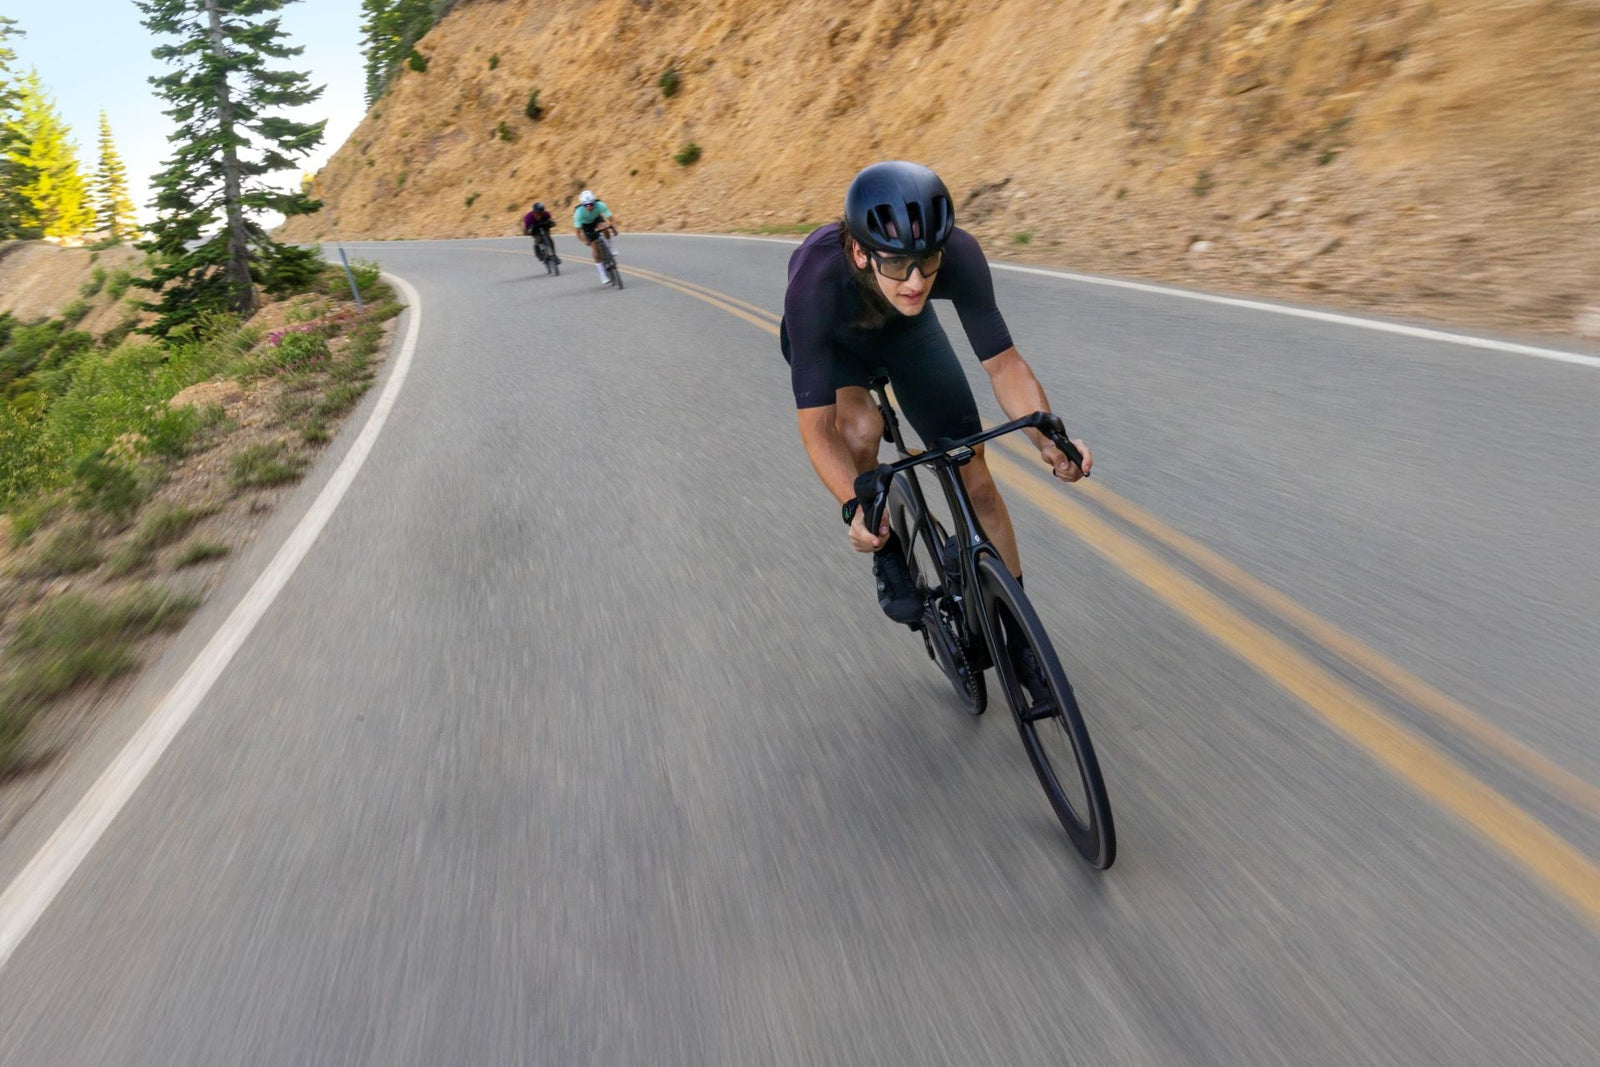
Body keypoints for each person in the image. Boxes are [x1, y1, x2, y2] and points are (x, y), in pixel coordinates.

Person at [779, 160, 1091, 647]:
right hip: (834, 349)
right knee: (860, 428)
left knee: (976, 476)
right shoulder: (815, 281)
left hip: (905, 333)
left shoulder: (955, 257)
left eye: (928, 261)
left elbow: (1004, 365)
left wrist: (1048, 439)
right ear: (860, 252)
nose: (917, 281)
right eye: (898, 264)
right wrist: (852, 510)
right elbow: (817, 428)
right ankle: (883, 536)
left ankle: (1018, 635)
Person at [572, 190, 620, 286]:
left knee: (604, 227)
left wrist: (614, 227)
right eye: (586, 205)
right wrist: (584, 240)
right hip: (586, 225)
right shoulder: (578, 213)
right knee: (595, 250)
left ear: (594, 202)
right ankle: (603, 275)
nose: (589, 206)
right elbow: (577, 232)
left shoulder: (600, 205)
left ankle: (610, 247)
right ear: (582, 205)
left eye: (591, 204)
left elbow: (611, 218)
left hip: (596, 219)